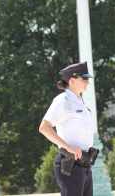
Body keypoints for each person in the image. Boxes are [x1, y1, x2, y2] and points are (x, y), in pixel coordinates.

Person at [39, 62, 98, 196]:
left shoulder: (80, 102)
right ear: (72, 80)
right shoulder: (63, 100)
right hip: (71, 164)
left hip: (85, 163)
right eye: (84, 79)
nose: (87, 82)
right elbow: (44, 127)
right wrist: (67, 147)